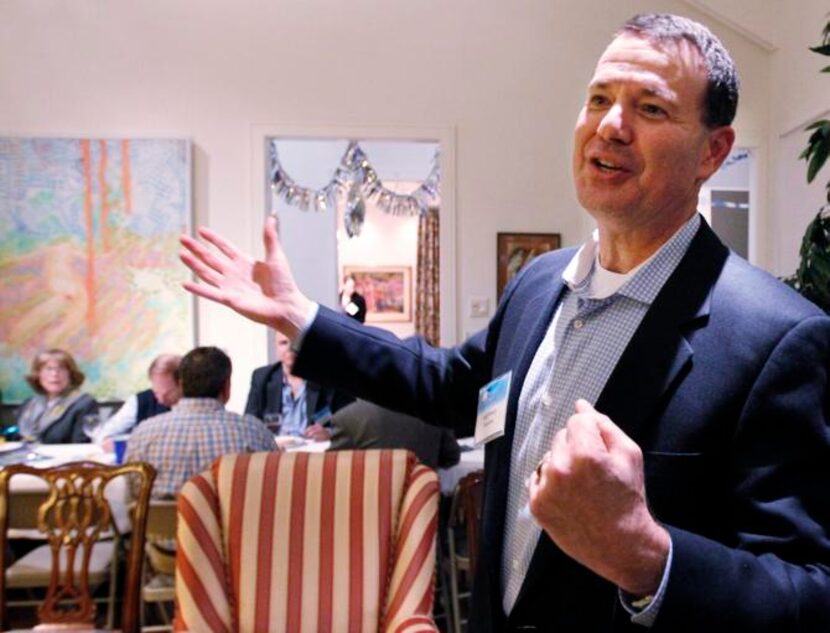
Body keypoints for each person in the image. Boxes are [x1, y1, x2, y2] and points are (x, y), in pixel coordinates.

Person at [179, 13, 830, 632]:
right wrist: (303, 319)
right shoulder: (539, 283)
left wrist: (648, 556)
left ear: (713, 152)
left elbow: (809, 591)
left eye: (650, 108)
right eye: (598, 98)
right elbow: (449, 385)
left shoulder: (779, 337)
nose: (611, 125)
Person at [126, 346, 278, 499]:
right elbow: (274, 490)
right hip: (233, 522)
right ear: (226, 386)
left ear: (181, 384)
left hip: (163, 523)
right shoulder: (255, 432)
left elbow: (132, 496)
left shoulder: (143, 434)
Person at [244, 331, 353, 441]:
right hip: (276, 450)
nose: (290, 348)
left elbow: (350, 424)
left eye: (296, 341)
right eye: (283, 343)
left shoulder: (328, 379)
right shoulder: (262, 377)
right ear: (276, 347)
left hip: (314, 450)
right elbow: (249, 423)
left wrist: (329, 434)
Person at [327, 398, 461, 469]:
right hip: (421, 512)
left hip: (365, 512)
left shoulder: (346, 418)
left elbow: (332, 470)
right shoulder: (434, 412)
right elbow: (451, 457)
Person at [93, 353, 182, 444]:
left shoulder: (194, 404)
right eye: (157, 392)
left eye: (168, 393)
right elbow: (103, 435)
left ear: (181, 384)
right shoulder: (139, 401)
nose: (161, 399)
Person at [15, 349, 98, 444]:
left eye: (61, 369)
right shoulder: (29, 404)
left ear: (70, 374)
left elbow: (80, 446)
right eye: (48, 369)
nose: (54, 374)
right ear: (38, 375)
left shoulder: (84, 403)